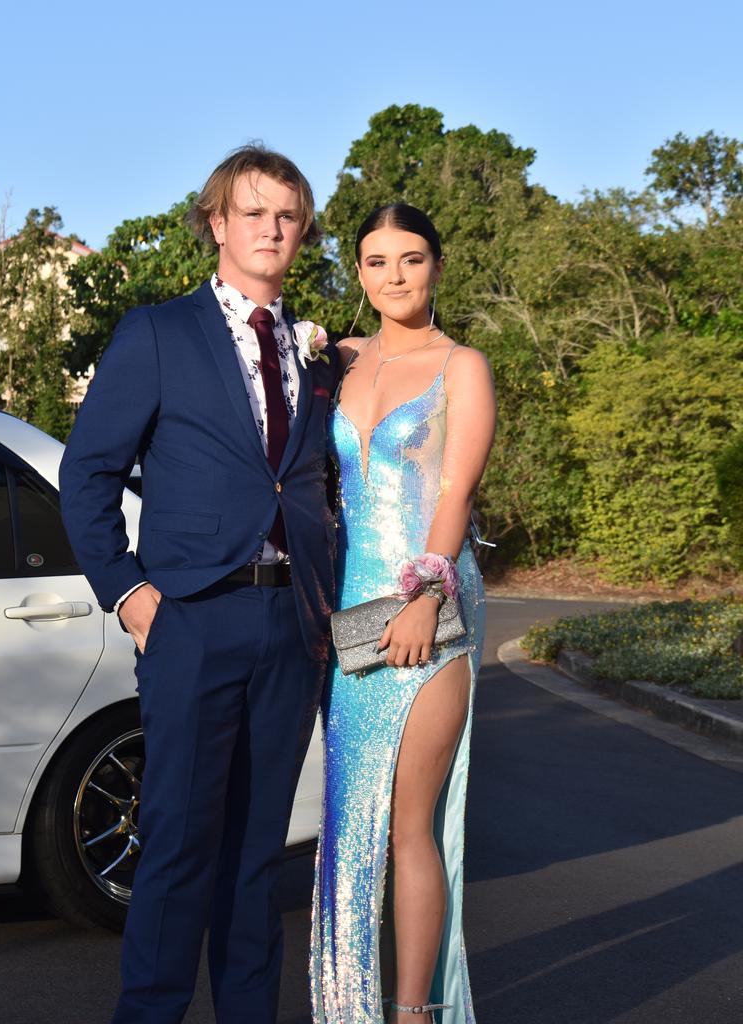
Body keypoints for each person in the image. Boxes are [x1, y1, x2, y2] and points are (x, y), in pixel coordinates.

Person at [59, 145, 339, 1024]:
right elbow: (88, 474)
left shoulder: (318, 355)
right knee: (179, 847)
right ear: (217, 223)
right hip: (194, 620)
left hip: (292, 626)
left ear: (301, 235)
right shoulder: (157, 333)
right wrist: (130, 594)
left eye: (287, 216)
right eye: (253, 212)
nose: (271, 228)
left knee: (258, 859)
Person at [310, 204, 496, 1024]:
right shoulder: (336, 361)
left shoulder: (463, 366)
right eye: (378, 261)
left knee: (408, 825)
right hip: (350, 620)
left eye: (411, 259)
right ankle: (345, 1003)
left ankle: (413, 1013)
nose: (395, 276)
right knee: (349, 827)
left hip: (431, 611)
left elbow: (454, 491)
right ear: (358, 273)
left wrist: (424, 596)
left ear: (437, 268)